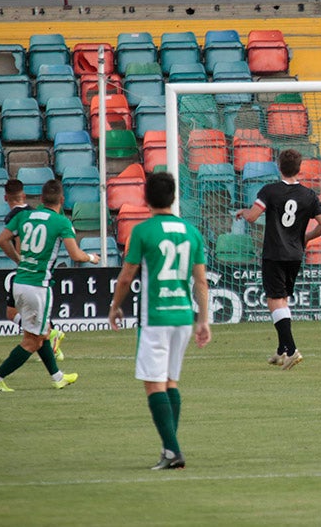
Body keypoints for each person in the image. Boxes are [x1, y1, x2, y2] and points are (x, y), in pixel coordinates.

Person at [108, 171, 211, 471]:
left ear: (146, 198)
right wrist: (203, 320)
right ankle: (169, 448)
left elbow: (127, 276)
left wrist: (115, 305)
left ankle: (173, 451)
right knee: (170, 382)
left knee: (154, 386)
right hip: (182, 315)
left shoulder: (142, 231)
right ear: (174, 197)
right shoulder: (191, 231)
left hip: (155, 317)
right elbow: (201, 282)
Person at [0, 180, 100, 392]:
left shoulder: (24, 216)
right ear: (62, 200)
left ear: (40, 199)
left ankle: (57, 377)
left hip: (19, 282)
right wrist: (91, 257)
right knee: (32, 341)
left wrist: (18, 260)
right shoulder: (61, 222)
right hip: (38, 287)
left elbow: (2, 240)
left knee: (43, 333)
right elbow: (75, 254)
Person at [235, 148, 321, 370]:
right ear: (299, 167)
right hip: (295, 254)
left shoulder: (270, 191)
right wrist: (305, 237)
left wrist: (244, 213)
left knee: (274, 301)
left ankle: (292, 349)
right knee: (282, 300)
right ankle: (280, 351)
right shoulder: (309, 195)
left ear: (279, 166)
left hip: (275, 253)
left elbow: (254, 216)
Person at [2, 178, 66, 361]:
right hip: (40, 273)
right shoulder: (34, 213)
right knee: (33, 319)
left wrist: (19, 260)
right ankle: (54, 363)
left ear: (5, 197)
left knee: (13, 313)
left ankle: (49, 334)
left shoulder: (15, 217)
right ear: (24, 195)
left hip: (27, 274)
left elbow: (17, 246)